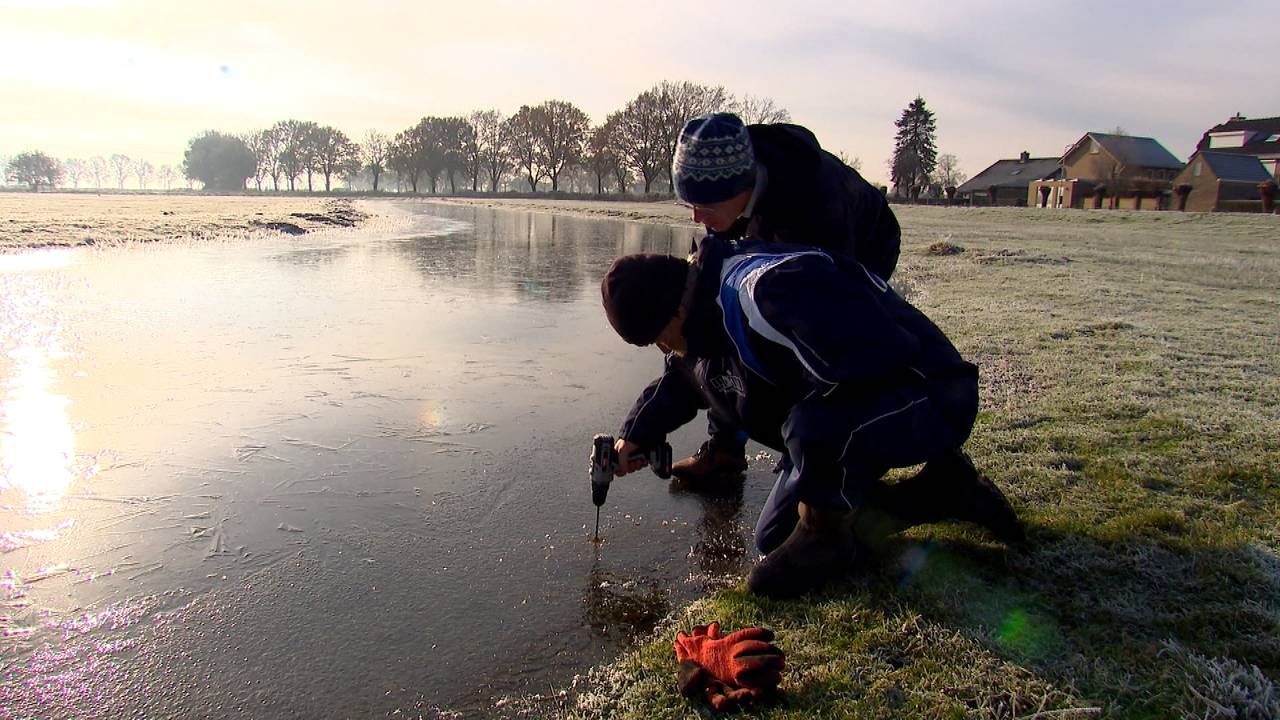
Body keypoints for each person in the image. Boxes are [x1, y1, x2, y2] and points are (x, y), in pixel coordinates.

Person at [600, 236, 1023, 598]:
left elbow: (878, 362)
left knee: (810, 430)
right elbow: (687, 377)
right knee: (774, 539)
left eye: (657, 339)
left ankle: (828, 536)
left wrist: (810, 448)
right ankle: (943, 491)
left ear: (676, 311)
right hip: (842, 411)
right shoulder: (700, 309)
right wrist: (633, 437)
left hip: (930, 393)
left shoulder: (766, 292)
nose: (663, 350)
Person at [666, 112, 901, 484]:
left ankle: (815, 452)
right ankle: (725, 450)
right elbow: (707, 305)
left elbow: (816, 317)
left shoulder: (810, 207)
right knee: (722, 316)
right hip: (777, 226)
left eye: (705, 207)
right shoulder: (728, 189)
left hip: (865, 245)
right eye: (688, 205)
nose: (696, 218)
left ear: (741, 189)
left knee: (807, 345)